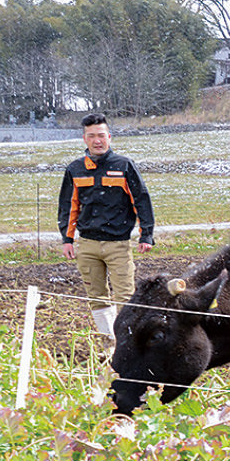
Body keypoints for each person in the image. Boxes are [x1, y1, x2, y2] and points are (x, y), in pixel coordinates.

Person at [57, 112, 155, 337]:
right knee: (96, 297)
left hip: (118, 245)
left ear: (109, 137)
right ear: (85, 139)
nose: (97, 141)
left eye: (101, 135)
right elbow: (68, 207)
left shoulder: (124, 165)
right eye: (91, 136)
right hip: (88, 245)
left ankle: (127, 342)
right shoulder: (75, 169)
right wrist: (67, 238)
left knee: (125, 296)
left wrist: (146, 234)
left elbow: (141, 200)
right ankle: (108, 341)